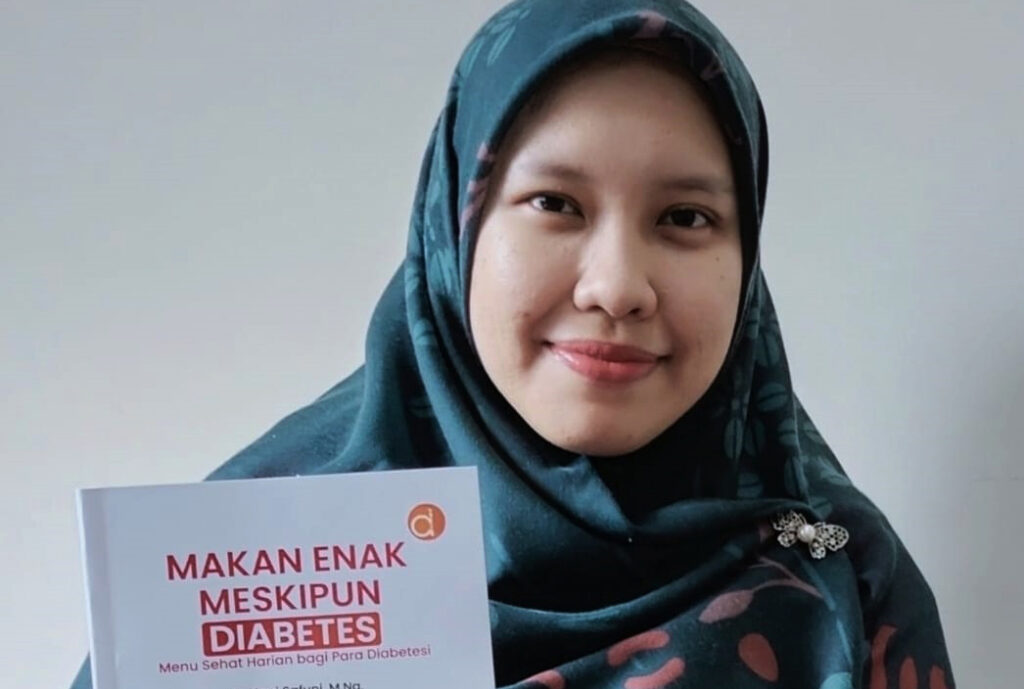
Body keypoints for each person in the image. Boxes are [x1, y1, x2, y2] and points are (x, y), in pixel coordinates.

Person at [71, 0, 955, 686]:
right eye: (556, 204)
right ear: (456, 229)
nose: (617, 285)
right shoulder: (237, 571)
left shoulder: (841, 577)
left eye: (685, 218)